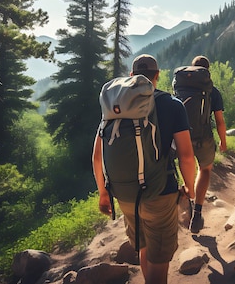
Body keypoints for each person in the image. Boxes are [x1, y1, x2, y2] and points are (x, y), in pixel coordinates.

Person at [92, 54, 196, 284]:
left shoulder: (114, 106)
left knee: (144, 246)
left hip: (125, 194)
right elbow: (187, 156)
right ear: (157, 76)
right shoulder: (172, 105)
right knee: (160, 261)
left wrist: (103, 192)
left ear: (132, 76)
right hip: (160, 193)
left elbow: (97, 157)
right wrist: (190, 187)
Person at [187, 55, 227, 234]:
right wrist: (223, 141)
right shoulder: (213, 91)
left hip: (182, 137)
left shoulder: (180, 88)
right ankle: (197, 212)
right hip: (204, 137)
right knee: (205, 169)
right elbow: (219, 121)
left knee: (186, 166)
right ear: (207, 72)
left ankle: (188, 197)